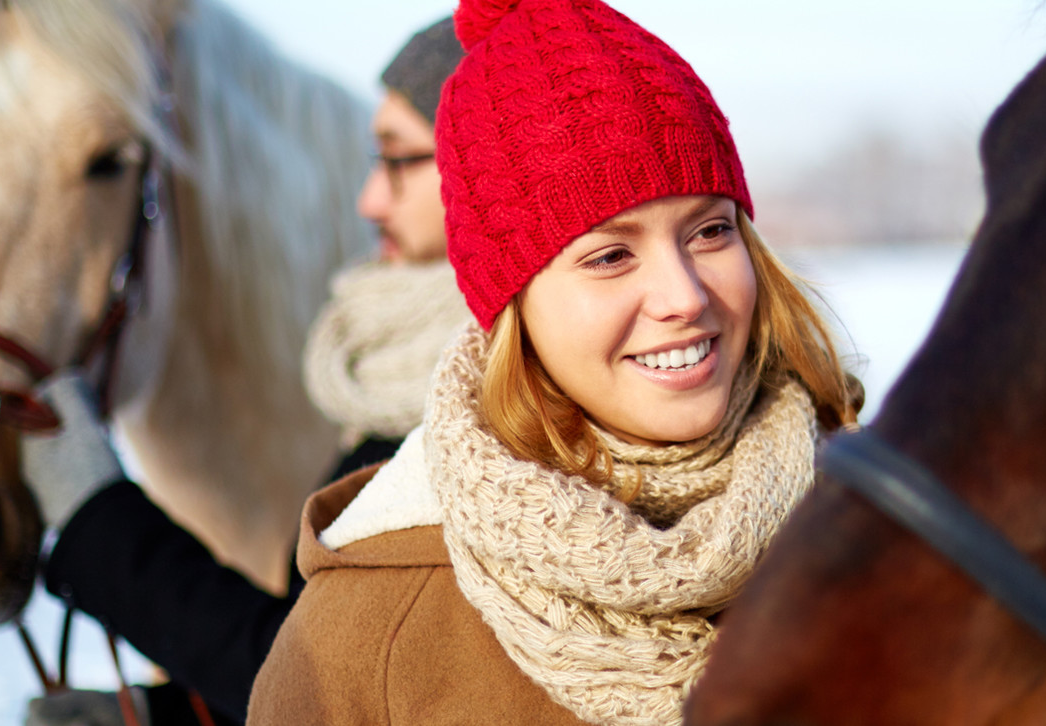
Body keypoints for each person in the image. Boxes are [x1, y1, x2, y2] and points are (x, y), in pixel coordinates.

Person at [245, 0, 861, 723]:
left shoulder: (883, 531)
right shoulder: (369, 633)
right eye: (609, 255)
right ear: (512, 307)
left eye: (709, 231)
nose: (683, 296)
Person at [22, 18, 469, 726]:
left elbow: (320, 680)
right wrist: (158, 714)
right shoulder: (399, 373)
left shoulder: (473, 408)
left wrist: (96, 516)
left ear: (486, 167)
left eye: (398, 161)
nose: (369, 201)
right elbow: (391, 683)